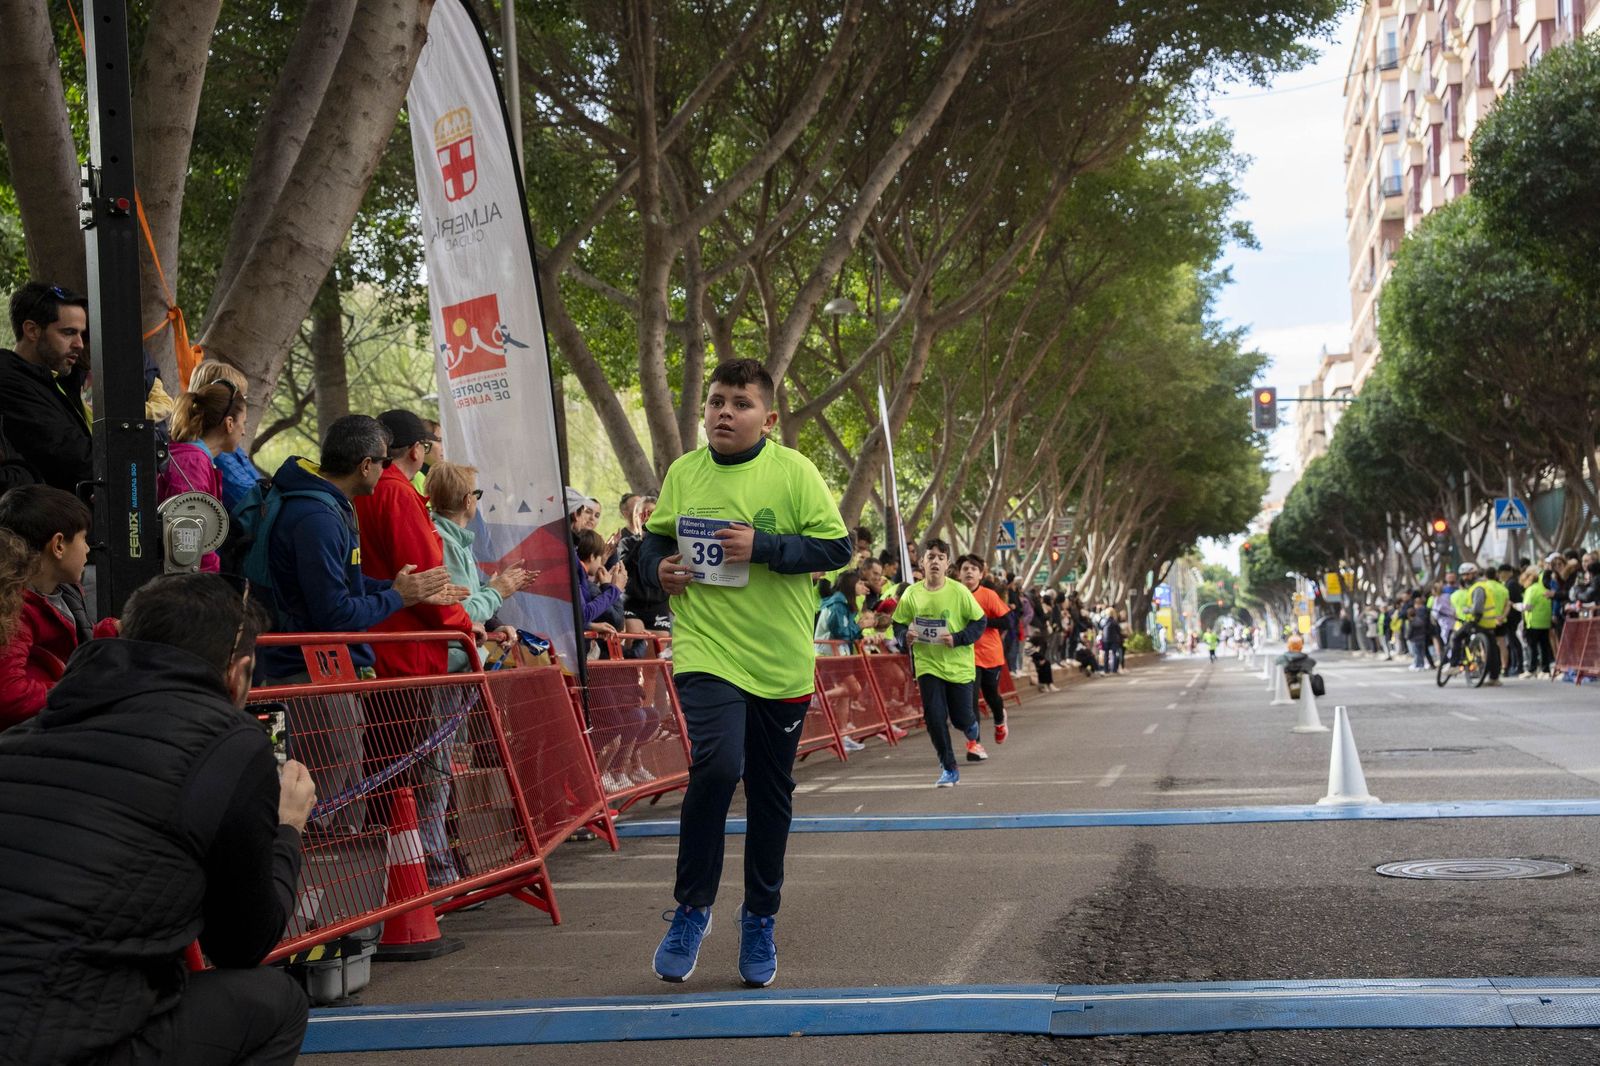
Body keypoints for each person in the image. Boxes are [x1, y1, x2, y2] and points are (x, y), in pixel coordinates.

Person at [0, 573, 315, 1065]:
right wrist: (288, 830)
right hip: (65, 1038)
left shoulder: (23, 737)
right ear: (239, 673)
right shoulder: (228, 743)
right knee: (275, 1001)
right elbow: (241, 943)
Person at [635, 358, 850, 988]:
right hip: (706, 646)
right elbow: (651, 542)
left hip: (780, 658)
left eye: (740, 403)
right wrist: (658, 571)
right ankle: (691, 908)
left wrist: (764, 547)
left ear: (769, 418)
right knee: (719, 766)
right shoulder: (685, 471)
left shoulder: (794, 472)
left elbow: (836, 549)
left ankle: (759, 916)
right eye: (716, 401)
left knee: (770, 793)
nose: (724, 412)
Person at [256, 415, 460, 833]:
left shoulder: (327, 506)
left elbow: (345, 582)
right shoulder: (316, 516)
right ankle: (296, 874)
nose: (390, 471)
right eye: (384, 462)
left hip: (319, 664)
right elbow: (334, 612)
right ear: (365, 464)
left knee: (345, 780)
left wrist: (399, 587)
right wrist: (399, 597)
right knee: (328, 785)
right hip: (304, 667)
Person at [425, 460, 537, 884]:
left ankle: (441, 867)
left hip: (458, 664)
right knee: (434, 776)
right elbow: (457, 613)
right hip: (447, 667)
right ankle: (435, 873)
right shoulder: (444, 542)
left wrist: (493, 623)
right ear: (469, 500)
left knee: (440, 774)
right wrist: (497, 592)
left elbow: (471, 612)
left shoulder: (454, 541)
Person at [0, 486, 116, 725]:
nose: (87, 549)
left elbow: (71, 640)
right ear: (59, 545)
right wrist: (85, 691)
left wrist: (114, 630)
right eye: (84, 538)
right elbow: (10, 698)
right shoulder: (14, 609)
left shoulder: (62, 592)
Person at [892, 539, 989, 788]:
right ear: (922, 562)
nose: (935, 561)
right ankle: (949, 767)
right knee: (934, 717)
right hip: (928, 665)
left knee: (960, 718)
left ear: (947, 565)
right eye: (930, 556)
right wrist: (905, 636)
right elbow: (899, 623)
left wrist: (957, 639)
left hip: (958, 667)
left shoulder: (959, 592)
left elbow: (979, 622)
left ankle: (970, 727)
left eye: (940, 557)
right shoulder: (912, 593)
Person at [0, 283, 91, 495]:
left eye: (81, 334)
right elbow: (69, 455)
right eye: (68, 333)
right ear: (32, 330)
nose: (79, 344)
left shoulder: (60, 379)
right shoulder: (9, 381)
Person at [156, 380, 249, 573]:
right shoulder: (192, 463)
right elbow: (187, 538)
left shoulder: (193, 459)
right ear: (229, 424)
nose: (245, 431)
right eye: (243, 423)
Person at [188, 360, 262, 511]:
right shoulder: (214, 450)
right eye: (239, 399)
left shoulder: (226, 446)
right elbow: (249, 498)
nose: (243, 405)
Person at [955, 553, 1012, 744]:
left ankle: (999, 719)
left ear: (981, 575)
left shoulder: (989, 595)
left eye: (973, 569)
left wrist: (982, 622)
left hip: (990, 654)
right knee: (970, 702)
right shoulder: (953, 595)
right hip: (965, 656)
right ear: (958, 574)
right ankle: (974, 743)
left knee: (991, 696)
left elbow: (1008, 621)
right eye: (965, 569)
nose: (969, 571)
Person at [1447, 562, 1505, 685]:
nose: (1465, 578)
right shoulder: (1483, 586)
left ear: (1474, 573)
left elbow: (1477, 608)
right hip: (1489, 622)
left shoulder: (1478, 588)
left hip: (1479, 621)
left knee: (1456, 637)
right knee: (1492, 650)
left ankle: (1454, 665)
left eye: (1467, 575)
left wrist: (1467, 610)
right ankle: (1494, 678)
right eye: (1463, 575)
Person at [1521, 564, 1554, 678]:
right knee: (1544, 647)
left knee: (1532, 647)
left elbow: (1527, 606)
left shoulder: (1531, 589)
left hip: (1533, 622)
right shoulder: (1544, 588)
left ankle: (1532, 669)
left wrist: (1517, 606)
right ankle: (1545, 669)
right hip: (1545, 622)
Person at [1276, 634, 1317, 699]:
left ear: (1289, 646)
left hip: (1287, 689)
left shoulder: (1282, 659)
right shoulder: (1308, 659)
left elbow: (1276, 663)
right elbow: (1313, 663)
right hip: (1306, 690)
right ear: (1301, 647)